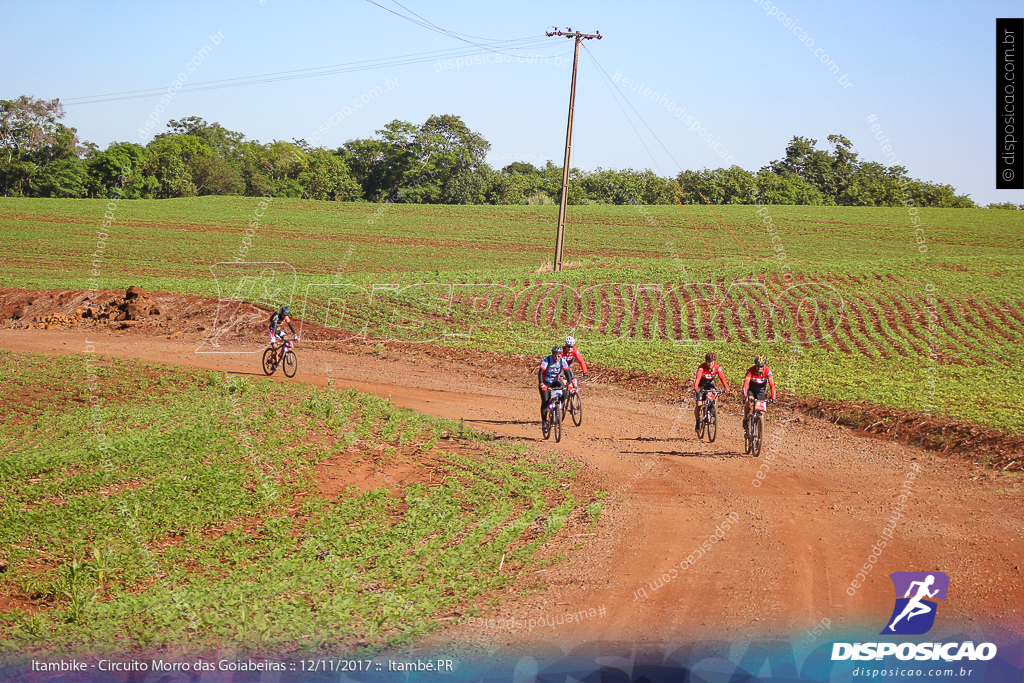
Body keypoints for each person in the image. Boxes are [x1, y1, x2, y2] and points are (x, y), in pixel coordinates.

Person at [693, 352, 729, 433]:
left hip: (710, 385)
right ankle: (698, 421)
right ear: (706, 361)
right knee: (699, 404)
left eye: (712, 362)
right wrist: (696, 387)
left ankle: (713, 408)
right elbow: (698, 378)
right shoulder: (701, 368)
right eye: (709, 362)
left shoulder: (718, 368)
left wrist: (726, 388)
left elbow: (722, 378)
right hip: (701, 386)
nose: (710, 364)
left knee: (716, 392)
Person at [538, 346, 574, 424]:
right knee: (545, 401)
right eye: (555, 355)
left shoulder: (562, 361)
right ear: (552, 354)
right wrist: (541, 384)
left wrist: (570, 383)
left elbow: (567, 372)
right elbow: (540, 372)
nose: (557, 358)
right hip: (546, 382)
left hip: (555, 381)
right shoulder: (546, 360)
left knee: (564, 392)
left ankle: (558, 407)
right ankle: (544, 422)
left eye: (559, 356)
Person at [742, 354, 777, 431]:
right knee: (749, 402)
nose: (759, 368)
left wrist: (774, 397)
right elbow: (746, 383)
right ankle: (745, 419)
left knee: (762, 411)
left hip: (761, 391)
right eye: (758, 366)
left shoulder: (768, 371)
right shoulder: (750, 371)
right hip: (751, 390)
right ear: (755, 365)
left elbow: (772, 385)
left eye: (761, 366)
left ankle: (759, 429)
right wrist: (745, 394)